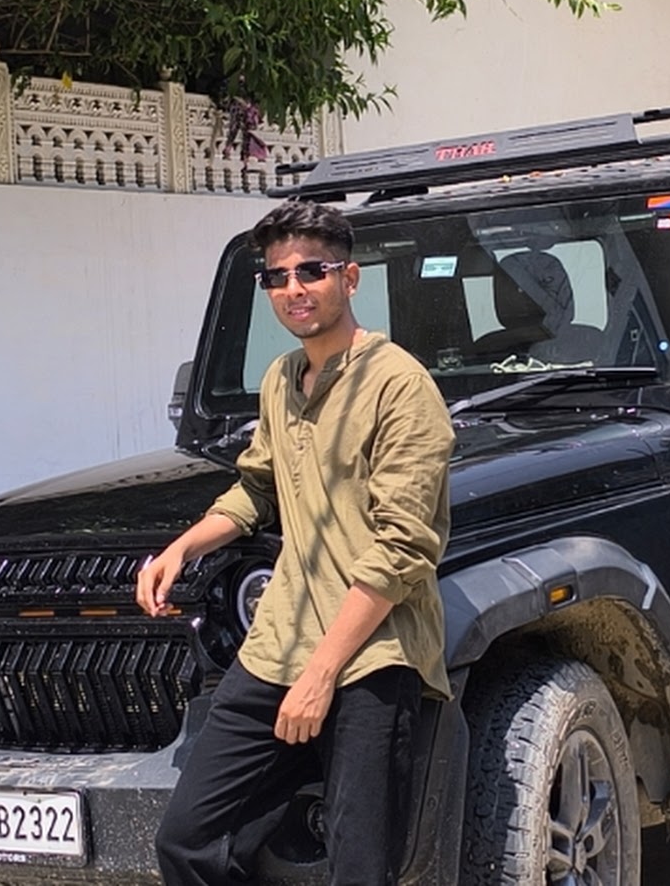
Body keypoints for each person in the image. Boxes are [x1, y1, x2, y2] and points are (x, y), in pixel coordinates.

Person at [136, 200, 455, 886]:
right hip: (279, 645)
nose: (293, 289)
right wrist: (182, 549)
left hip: (373, 655)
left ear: (350, 277)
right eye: (276, 277)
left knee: (358, 866)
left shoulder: (401, 386)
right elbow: (258, 488)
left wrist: (320, 675)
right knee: (189, 840)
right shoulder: (281, 381)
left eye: (312, 271)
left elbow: (402, 548)